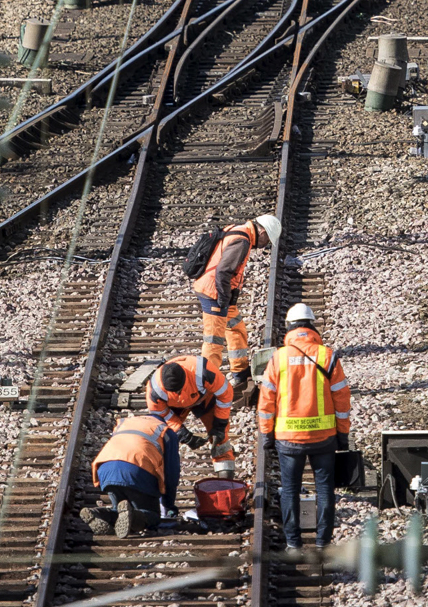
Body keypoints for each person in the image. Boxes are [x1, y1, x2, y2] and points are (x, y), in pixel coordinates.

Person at [257, 303, 351, 551]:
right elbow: (342, 399)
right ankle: (322, 544)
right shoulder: (327, 355)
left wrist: (266, 433)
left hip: (288, 439)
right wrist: (343, 434)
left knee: (289, 491)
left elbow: (266, 401)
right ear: (311, 327)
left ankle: (293, 543)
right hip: (324, 438)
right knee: (325, 490)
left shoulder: (278, 357)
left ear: (289, 327)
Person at [193, 215, 281, 388]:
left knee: (235, 327)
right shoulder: (242, 241)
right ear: (262, 232)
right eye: (267, 240)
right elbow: (223, 271)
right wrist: (224, 299)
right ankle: (206, 382)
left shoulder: (239, 231)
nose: (265, 244)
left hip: (218, 291)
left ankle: (240, 372)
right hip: (214, 293)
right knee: (214, 340)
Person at [81, 413, 180, 538]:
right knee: (152, 516)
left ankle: (98, 514)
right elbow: (171, 474)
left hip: (105, 468)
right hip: (136, 470)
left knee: (119, 511)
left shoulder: (124, 423)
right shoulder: (166, 431)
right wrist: (168, 505)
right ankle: (134, 517)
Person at [146, 355, 236, 478]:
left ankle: (226, 475)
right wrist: (183, 434)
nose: (178, 394)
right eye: (174, 392)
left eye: (179, 390)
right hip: (174, 407)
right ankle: (159, 474)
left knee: (219, 438)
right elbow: (162, 415)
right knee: (163, 436)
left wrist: (220, 424)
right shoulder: (155, 390)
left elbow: (225, 394)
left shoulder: (204, 371)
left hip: (204, 398)